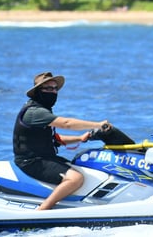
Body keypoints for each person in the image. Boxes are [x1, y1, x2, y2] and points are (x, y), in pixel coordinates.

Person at [13, 71, 112, 210]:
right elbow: (67, 123)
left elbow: (53, 139)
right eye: (48, 88)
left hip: (45, 158)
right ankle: (42, 211)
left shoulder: (43, 111)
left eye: (55, 89)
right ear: (37, 91)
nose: (53, 92)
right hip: (31, 162)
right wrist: (97, 124)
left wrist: (79, 138)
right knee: (75, 178)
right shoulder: (35, 112)